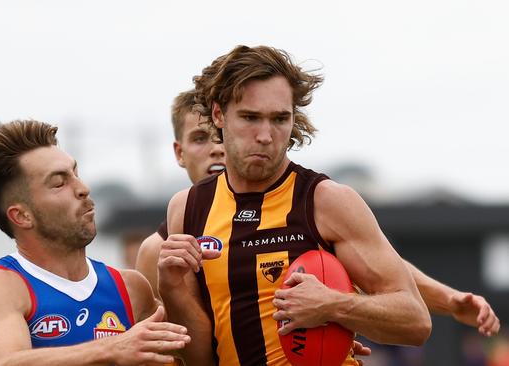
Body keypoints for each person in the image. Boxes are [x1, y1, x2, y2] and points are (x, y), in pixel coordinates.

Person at [136, 89, 501, 342]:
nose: (215, 149)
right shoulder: (159, 249)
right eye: (200, 139)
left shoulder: (298, 204)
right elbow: (165, 344)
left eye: (218, 136)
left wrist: (449, 300)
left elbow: (381, 266)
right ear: (179, 153)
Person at [156, 45, 438, 366]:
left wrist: (334, 306)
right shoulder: (188, 208)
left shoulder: (325, 200)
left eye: (279, 119)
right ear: (219, 115)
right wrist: (172, 288)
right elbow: (201, 358)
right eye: (250, 117)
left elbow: (416, 322)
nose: (265, 135)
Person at [0, 120, 190, 365]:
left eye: (76, 174)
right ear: (22, 216)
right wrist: (111, 349)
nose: (83, 189)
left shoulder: (131, 288)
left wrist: (175, 289)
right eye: (59, 183)